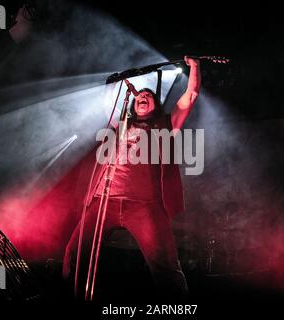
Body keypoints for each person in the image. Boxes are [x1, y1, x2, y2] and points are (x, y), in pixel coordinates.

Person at [62, 56, 201, 299]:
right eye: (138, 97)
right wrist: (119, 83)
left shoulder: (165, 124)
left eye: (147, 96)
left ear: (155, 103)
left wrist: (195, 67)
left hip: (144, 205)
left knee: (165, 266)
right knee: (74, 253)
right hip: (105, 201)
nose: (141, 98)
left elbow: (190, 96)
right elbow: (107, 101)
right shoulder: (120, 125)